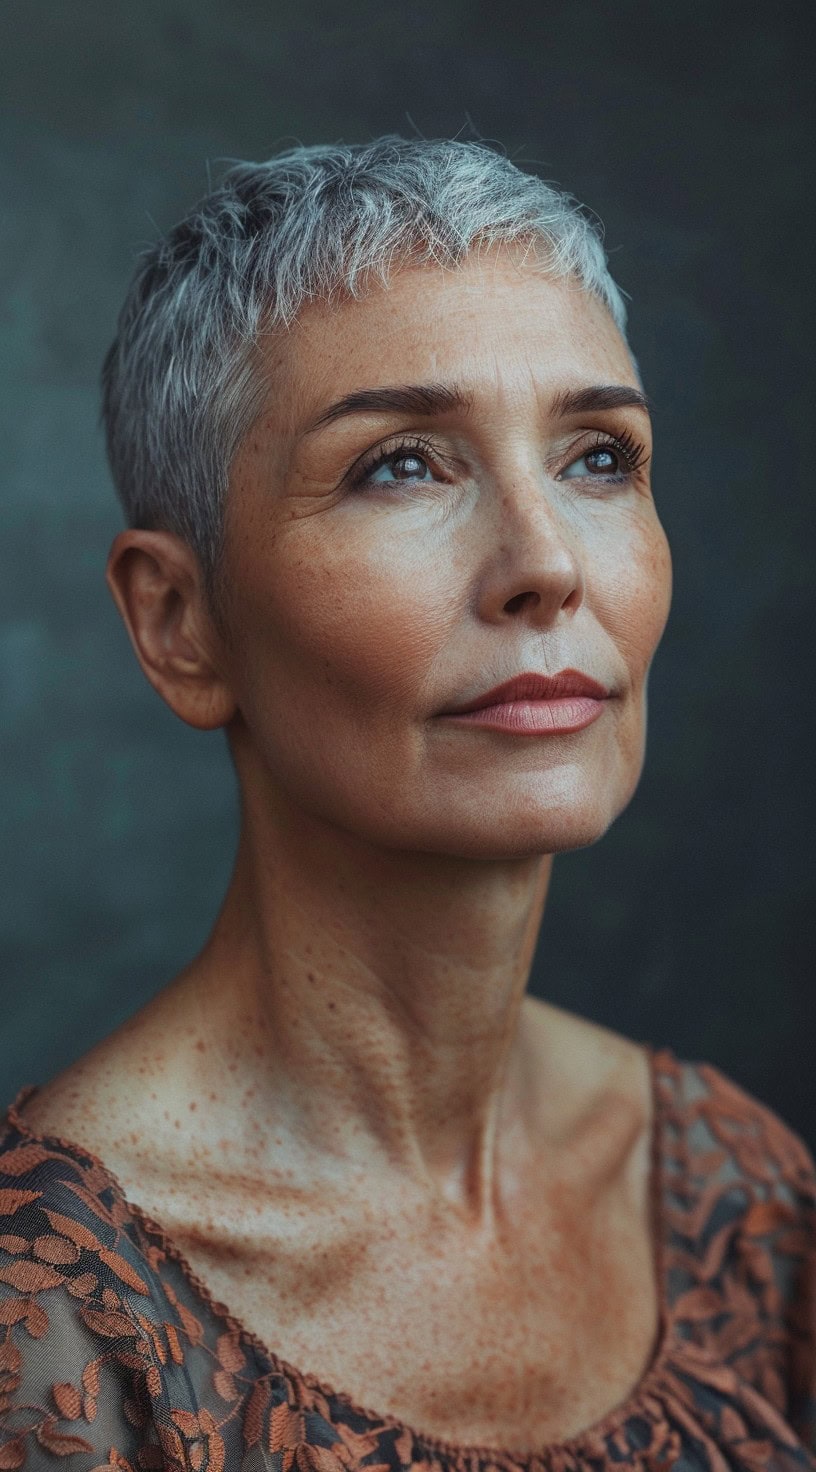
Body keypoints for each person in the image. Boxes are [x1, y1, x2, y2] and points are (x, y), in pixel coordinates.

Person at [0, 136, 813, 1472]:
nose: (547, 563)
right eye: (403, 466)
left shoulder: (736, 1190)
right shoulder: (55, 1316)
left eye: (600, 457)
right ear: (181, 621)